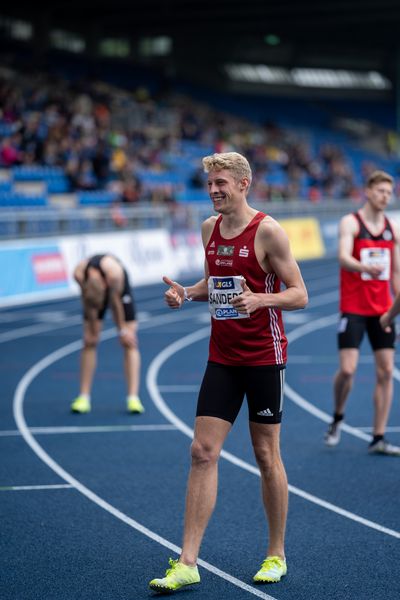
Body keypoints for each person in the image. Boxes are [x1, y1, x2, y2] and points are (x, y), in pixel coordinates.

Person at [149, 152, 308, 593]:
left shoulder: (268, 231)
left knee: (264, 455)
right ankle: (187, 562)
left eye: (221, 183)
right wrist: (186, 293)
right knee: (201, 451)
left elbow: (299, 295)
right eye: (210, 184)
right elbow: (212, 285)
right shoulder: (209, 230)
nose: (214, 190)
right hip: (222, 356)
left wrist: (261, 300)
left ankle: (276, 554)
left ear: (243, 184)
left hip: (263, 357)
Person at [324, 170, 400, 455]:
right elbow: (343, 257)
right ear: (367, 191)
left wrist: (395, 310)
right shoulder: (351, 222)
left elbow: (396, 273)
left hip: (382, 311)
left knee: (386, 371)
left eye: (389, 193)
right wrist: (363, 266)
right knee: (348, 369)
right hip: (354, 308)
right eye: (380, 191)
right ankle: (337, 416)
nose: (385, 196)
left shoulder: (393, 228)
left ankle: (378, 436)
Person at [70, 254, 144, 415]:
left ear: (104, 286)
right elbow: (87, 300)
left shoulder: (114, 275)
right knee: (89, 342)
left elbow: (115, 303)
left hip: (119, 293)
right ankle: (83, 397)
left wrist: (122, 331)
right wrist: (93, 331)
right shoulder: (79, 274)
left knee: (129, 341)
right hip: (92, 295)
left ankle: (133, 398)